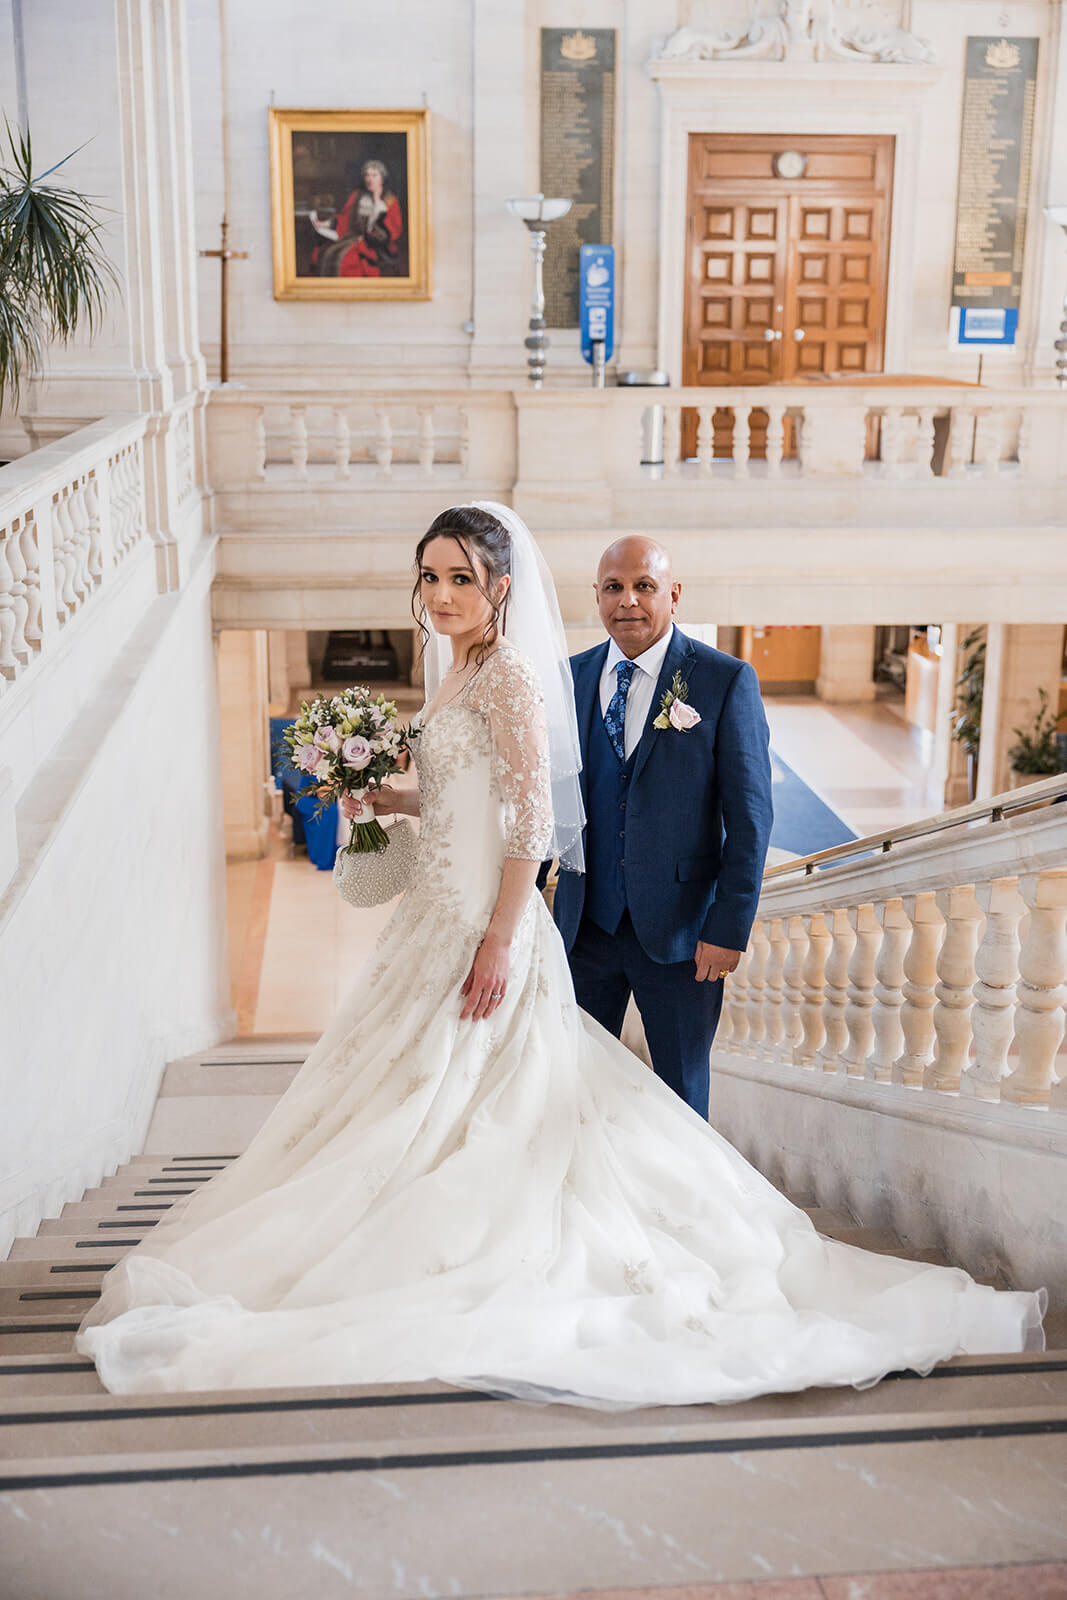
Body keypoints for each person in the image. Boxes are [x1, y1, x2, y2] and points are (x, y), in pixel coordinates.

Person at [76, 503, 1044, 1404]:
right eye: (428, 577)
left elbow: (535, 823)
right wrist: (389, 798)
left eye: (459, 576)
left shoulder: (515, 674)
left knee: (607, 1099)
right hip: (475, 918)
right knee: (462, 1100)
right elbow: (475, 797)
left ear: (500, 584)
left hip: (513, 925)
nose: (440, 593)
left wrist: (504, 937)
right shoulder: (460, 669)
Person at [553, 537, 772, 1119]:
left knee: (681, 1096)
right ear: (596, 596)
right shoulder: (567, 679)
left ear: (673, 595)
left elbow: (750, 818)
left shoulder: (724, 680)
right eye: (613, 587)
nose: (628, 601)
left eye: (643, 586)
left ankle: (690, 1210)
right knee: (575, 1089)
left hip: (683, 938)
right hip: (584, 932)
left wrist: (728, 927)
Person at [311, 158, 404, 279]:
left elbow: (392, 231)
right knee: (324, 251)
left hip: (376, 245)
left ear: (382, 178)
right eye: (367, 175)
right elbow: (345, 218)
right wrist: (325, 224)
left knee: (346, 258)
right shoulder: (358, 195)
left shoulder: (390, 201)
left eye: (374, 175)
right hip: (352, 237)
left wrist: (369, 237)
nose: (370, 179)